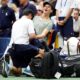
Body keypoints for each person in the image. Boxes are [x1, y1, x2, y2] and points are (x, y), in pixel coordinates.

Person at [2, 9, 45, 77]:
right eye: (32, 17)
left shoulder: (15, 22)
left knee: (18, 72)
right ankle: (30, 69)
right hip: (22, 47)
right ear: (30, 15)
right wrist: (40, 36)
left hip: (12, 49)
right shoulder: (29, 21)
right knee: (42, 52)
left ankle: (9, 67)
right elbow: (32, 36)